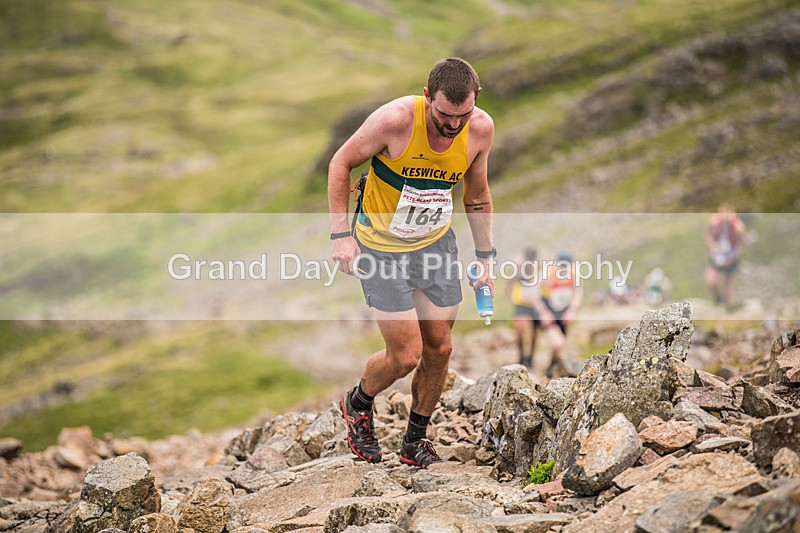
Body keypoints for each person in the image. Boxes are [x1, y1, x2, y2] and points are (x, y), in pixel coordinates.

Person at [327, 58, 495, 468]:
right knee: (405, 356)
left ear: (476, 99)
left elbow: (477, 196)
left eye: (462, 115)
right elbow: (340, 163)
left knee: (440, 348)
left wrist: (485, 257)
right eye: (444, 115)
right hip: (381, 248)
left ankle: (414, 442)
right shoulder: (396, 120)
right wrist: (341, 235)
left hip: (434, 246)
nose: (453, 125)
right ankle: (358, 403)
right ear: (427, 97)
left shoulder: (480, 129)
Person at [528, 251, 582, 378]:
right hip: (547, 311)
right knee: (557, 343)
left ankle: (551, 368)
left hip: (562, 312)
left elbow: (578, 293)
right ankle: (548, 369)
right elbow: (532, 292)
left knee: (560, 345)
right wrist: (543, 312)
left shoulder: (574, 274)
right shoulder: (546, 273)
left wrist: (572, 310)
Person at [704, 203, 746, 307]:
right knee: (711, 282)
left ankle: (728, 308)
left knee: (727, 285)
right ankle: (718, 300)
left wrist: (732, 258)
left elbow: (742, 244)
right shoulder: (714, 222)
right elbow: (706, 233)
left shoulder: (738, 227)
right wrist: (712, 245)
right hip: (717, 255)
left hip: (731, 256)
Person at [505, 248, 540, 369]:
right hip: (520, 302)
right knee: (519, 329)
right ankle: (521, 355)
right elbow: (510, 280)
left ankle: (531, 357)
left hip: (534, 303)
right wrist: (509, 294)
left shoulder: (539, 266)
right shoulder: (518, 266)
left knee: (534, 332)